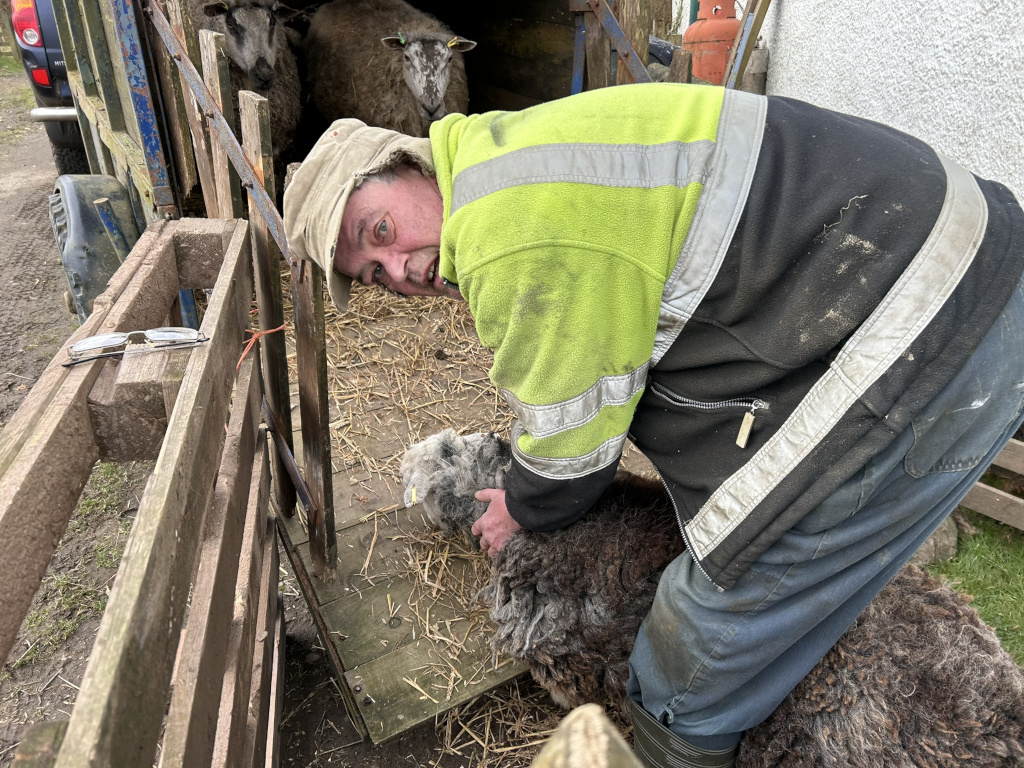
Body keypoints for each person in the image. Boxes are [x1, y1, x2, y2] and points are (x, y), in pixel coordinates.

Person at [283, 83, 1024, 768]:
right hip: (962, 272)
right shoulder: (516, 151)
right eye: (374, 270)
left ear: (409, 164)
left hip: (934, 331)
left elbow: (574, 447)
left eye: (379, 229)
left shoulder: (500, 226)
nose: (399, 268)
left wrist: (523, 503)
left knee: (685, 669)